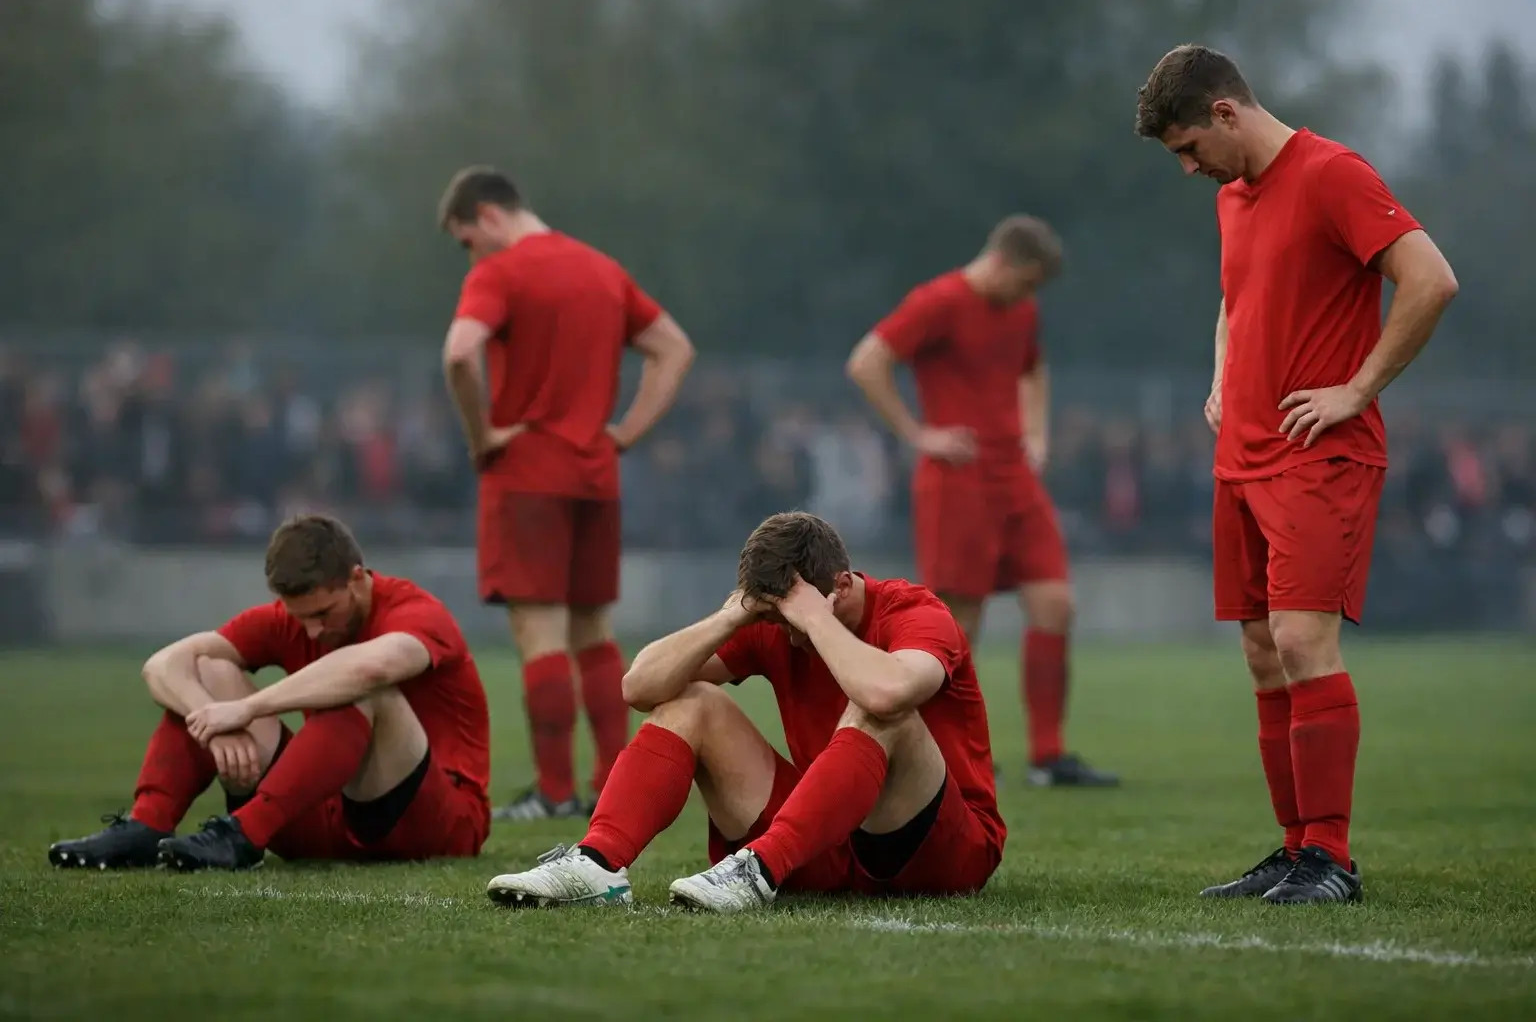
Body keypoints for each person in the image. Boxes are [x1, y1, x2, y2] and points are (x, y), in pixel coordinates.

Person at [1134, 44, 1459, 903]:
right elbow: (1236, 299)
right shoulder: (1234, 197)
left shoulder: (1331, 173)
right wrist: (1219, 372)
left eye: (1189, 148)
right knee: (1260, 653)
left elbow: (1430, 279)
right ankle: (1293, 849)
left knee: (1303, 642)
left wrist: (1357, 388)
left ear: (1227, 113)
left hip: (1319, 457)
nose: (1189, 168)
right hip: (1239, 457)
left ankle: (1332, 861)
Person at [483, 511, 1005, 912]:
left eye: (788, 618)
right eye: (774, 618)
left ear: (841, 587)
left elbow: (890, 693)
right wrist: (731, 617)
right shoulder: (773, 622)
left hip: (944, 851)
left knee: (878, 709)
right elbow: (639, 685)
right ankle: (597, 865)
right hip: (829, 843)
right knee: (691, 700)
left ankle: (757, 870)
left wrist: (814, 621)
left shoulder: (916, 612)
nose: (785, 633)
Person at [438, 166, 696, 821]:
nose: (471, 253)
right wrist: (628, 432)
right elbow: (674, 348)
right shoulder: (602, 270)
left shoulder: (502, 272)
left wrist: (482, 434)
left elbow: (460, 354)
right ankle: (614, 781)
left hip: (526, 476)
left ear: (489, 216)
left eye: (467, 239)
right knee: (593, 631)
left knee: (540, 631)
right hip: (595, 476)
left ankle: (554, 791)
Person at [48, 514, 492, 871]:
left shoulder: (416, 611)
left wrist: (247, 708)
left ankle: (242, 835)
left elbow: (371, 667)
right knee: (211, 671)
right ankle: (146, 827)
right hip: (326, 815)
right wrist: (212, 718)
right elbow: (164, 665)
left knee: (366, 688)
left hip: (438, 823)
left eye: (323, 613)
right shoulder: (291, 619)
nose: (313, 629)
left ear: (357, 578)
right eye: (302, 618)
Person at [846, 216, 1118, 788]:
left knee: (1055, 606)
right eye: (1027, 282)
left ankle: (1048, 756)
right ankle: (951, 751)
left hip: (1015, 479)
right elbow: (868, 360)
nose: (1029, 297)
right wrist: (918, 434)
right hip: (957, 481)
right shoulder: (939, 301)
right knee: (959, 623)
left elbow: (1033, 370)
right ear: (1002, 263)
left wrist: (1036, 435)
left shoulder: (1021, 310)